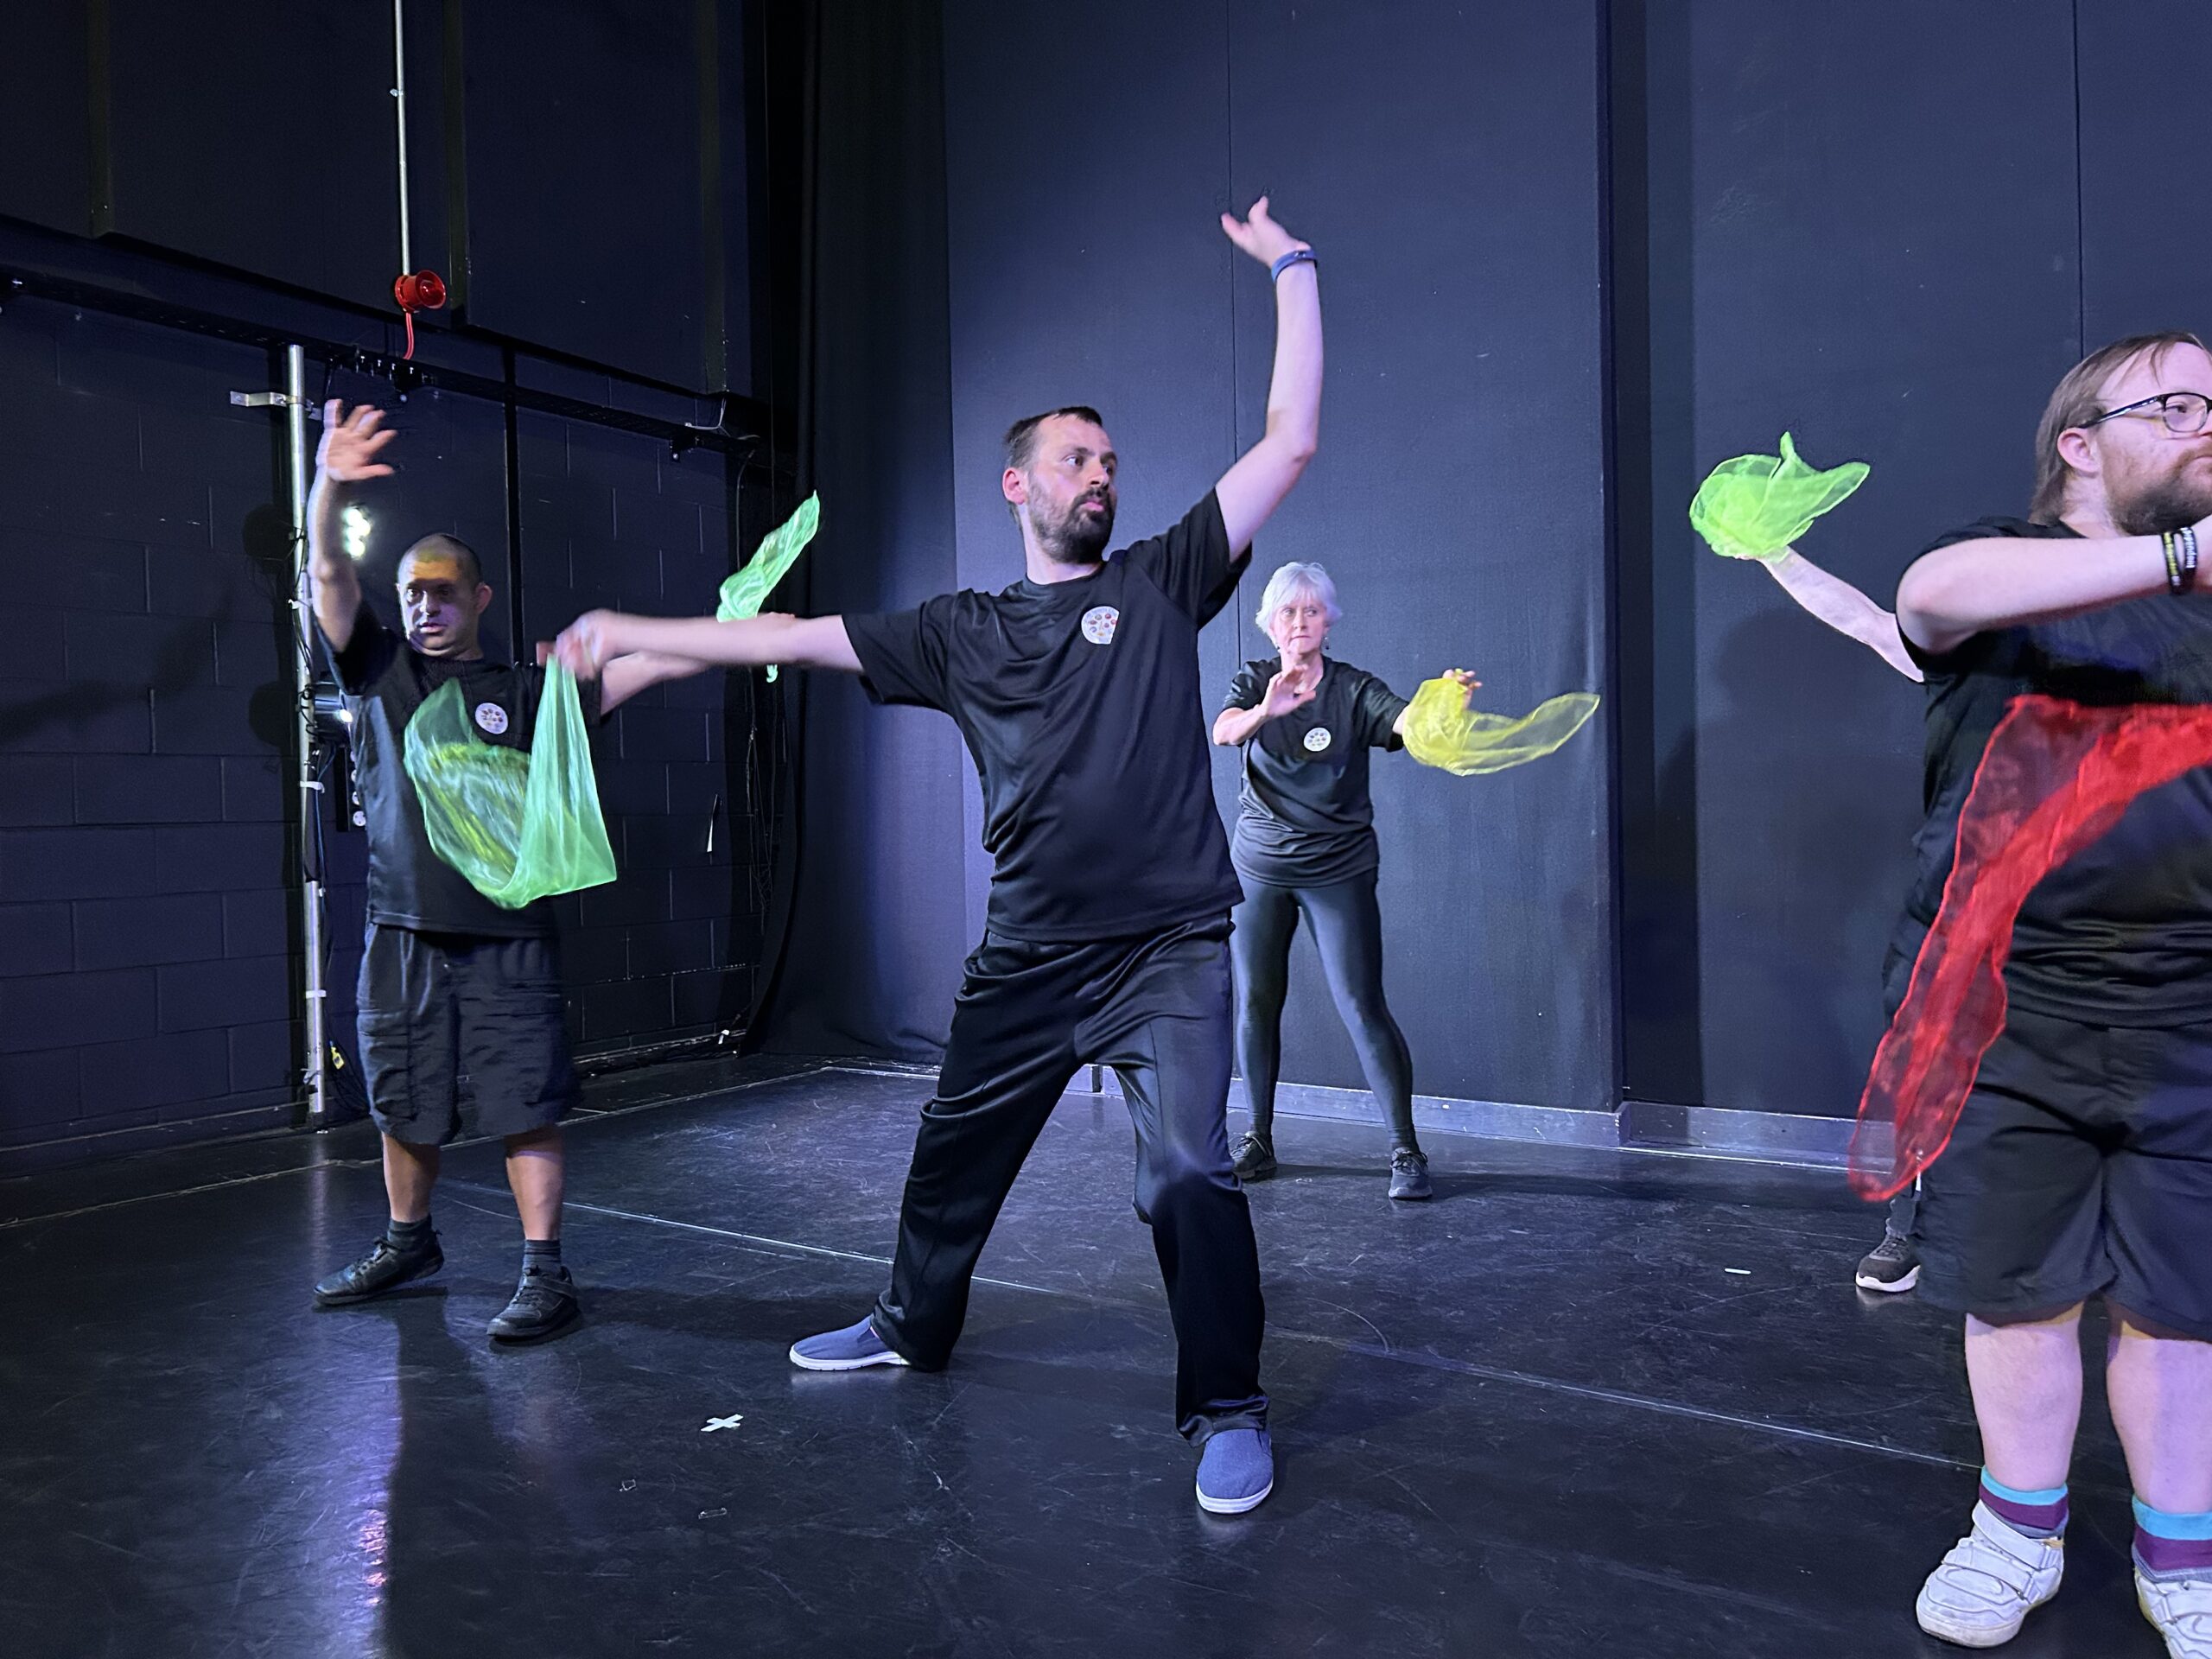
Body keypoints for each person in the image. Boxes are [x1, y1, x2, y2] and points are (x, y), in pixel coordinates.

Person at [554, 199, 1323, 1516]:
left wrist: (1292, 269)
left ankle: (1229, 1407)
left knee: (1189, 1172)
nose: (1103, 474)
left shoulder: (1163, 579)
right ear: (1020, 484)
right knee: (952, 1151)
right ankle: (913, 1324)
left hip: (1169, 952)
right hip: (1031, 957)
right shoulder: (960, 632)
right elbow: (792, 641)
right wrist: (627, 625)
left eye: (1112, 460)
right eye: (1078, 459)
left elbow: (1290, 439)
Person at [1887, 333, 2212, 1652]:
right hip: (2013, 1014)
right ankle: (2014, 1533)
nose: (2211, 424)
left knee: (2182, 1300)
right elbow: (1927, 592)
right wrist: (2188, 557)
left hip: (2195, 1012)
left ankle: (2180, 1554)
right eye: (2182, 403)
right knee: (2019, 1290)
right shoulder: (2005, 575)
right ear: (2081, 443)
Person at [307, 403, 697, 1343]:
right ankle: (410, 1242)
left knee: (525, 1105)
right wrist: (328, 485)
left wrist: (732, 622)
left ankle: (545, 1274)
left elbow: (652, 665)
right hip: (401, 935)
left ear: (478, 598)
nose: (424, 607)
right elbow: (325, 570)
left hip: (507, 941)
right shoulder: (379, 675)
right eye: (411, 594)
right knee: (403, 1100)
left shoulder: (531, 694)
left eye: (442, 592)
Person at [1212, 561, 1476, 1200]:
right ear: (1269, 623)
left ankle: (1406, 1151)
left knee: (1362, 1005)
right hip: (1260, 868)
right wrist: (1264, 711)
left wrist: (1442, 702)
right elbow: (1223, 732)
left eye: (1310, 611)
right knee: (1255, 1002)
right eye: (1287, 612)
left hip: (1338, 868)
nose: (1299, 623)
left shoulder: (1354, 691)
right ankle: (1259, 1140)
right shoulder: (1254, 679)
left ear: (1327, 620)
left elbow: (1408, 723)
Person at [1720, 545, 1930, 1293]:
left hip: (2135, 898)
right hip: (1982, 894)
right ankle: (1911, 1227)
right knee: (1925, 1048)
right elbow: (1870, 624)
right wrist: (1774, 548)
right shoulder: (2001, 649)